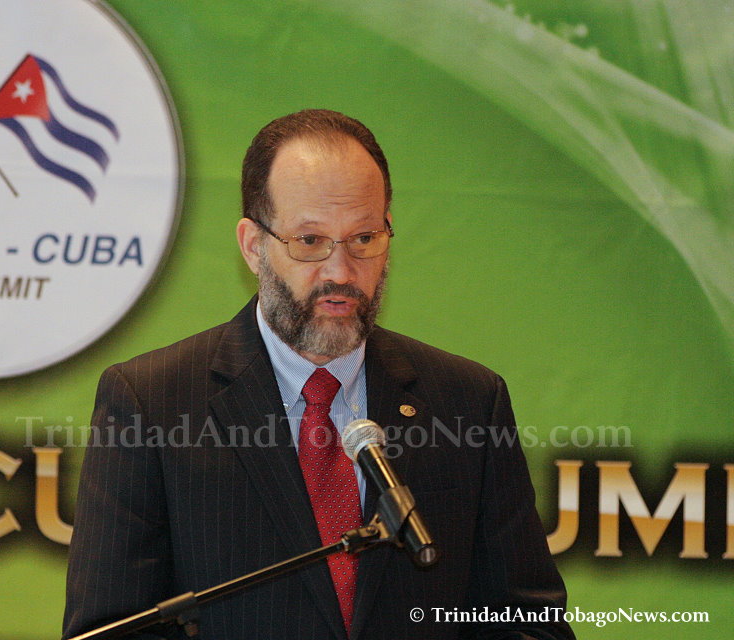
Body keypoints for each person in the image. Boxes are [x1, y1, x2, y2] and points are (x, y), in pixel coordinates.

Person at [63, 109, 574, 640]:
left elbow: (528, 623)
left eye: (363, 238)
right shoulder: (152, 403)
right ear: (253, 246)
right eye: (310, 241)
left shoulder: (467, 401)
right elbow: (110, 631)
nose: (341, 272)